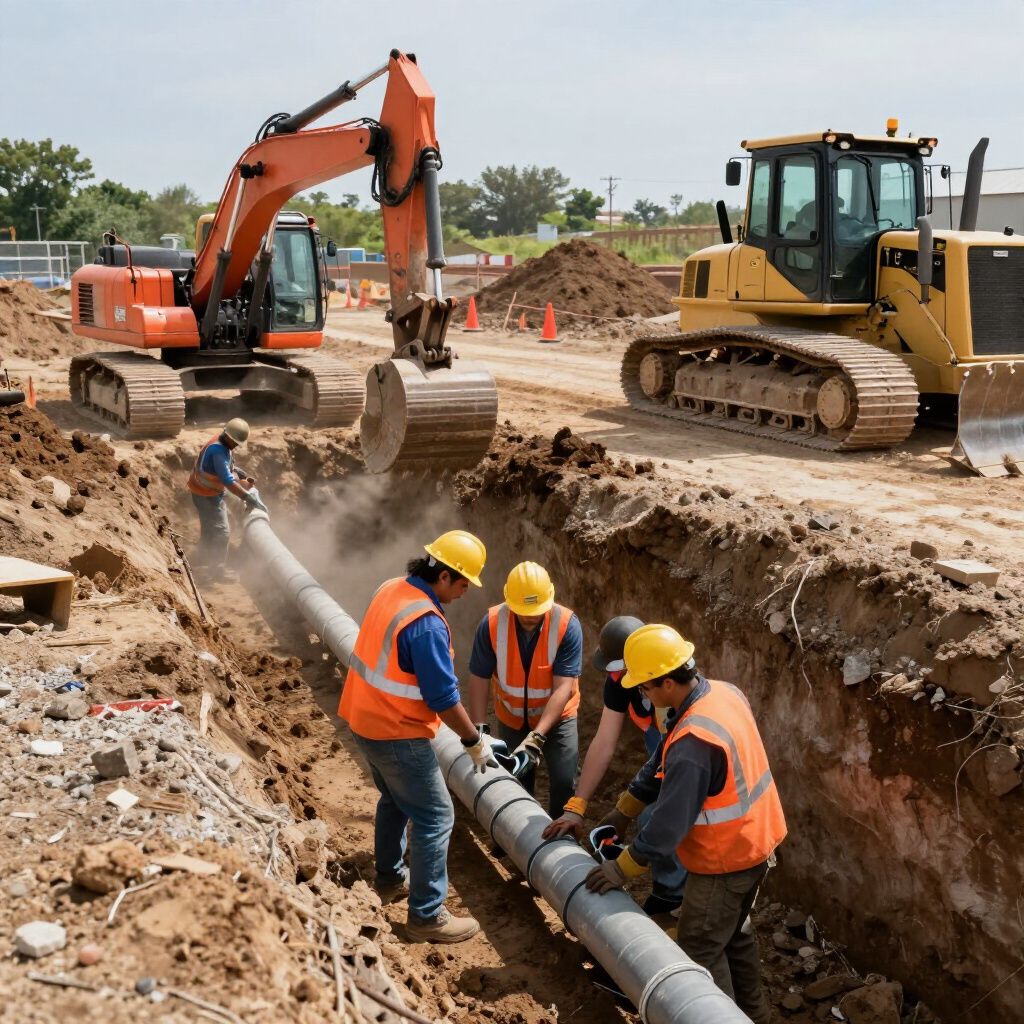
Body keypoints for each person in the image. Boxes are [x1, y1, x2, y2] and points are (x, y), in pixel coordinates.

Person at [584, 624, 786, 1024]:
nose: (642, 696)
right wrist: (623, 810)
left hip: (726, 859)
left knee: (700, 948)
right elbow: (661, 758)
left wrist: (620, 869)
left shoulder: (695, 742)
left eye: (645, 688)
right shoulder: (720, 692)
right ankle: (755, 1015)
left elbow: (666, 829)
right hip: (758, 841)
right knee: (735, 933)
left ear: (666, 683)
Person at [338, 530, 497, 944]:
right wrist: (472, 740)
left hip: (363, 719)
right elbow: (443, 697)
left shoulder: (393, 588)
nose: (465, 593)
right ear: (444, 576)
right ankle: (426, 916)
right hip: (397, 732)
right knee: (436, 815)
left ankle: (390, 878)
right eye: (464, 584)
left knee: (395, 799)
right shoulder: (426, 624)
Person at [542, 615, 686, 916]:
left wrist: (622, 866)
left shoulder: (672, 690)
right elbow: (604, 741)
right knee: (649, 813)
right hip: (658, 746)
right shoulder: (621, 682)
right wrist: (577, 805)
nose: (617, 677)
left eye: (620, 669)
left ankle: (676, 898)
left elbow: (670, 766)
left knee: (655, 818)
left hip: (683, 752)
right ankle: (669, 892)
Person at [467, 561, 583, 817]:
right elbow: (479, 678)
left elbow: (563, 687)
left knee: (565, 781)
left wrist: (538, 737)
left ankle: (562, 840)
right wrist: (479, 730)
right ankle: (512, 836)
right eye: (523, 610)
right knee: (516, 780)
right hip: (512, 716)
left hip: (558, 718)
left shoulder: (566, 625)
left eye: (536, 610)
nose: (530, 616)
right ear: (508, 600)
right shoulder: (492, 624)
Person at [186, 418, 266, 569]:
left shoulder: (222, 442)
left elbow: (226, 467)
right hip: (206, 494)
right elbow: (227, 481)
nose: (236, 446)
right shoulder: (218, 451)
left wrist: (239, 473)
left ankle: (203, 556)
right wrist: (247, 497)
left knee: (210, 527)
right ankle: (216, 569)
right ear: (229, 437)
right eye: (235, 442)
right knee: (222, 532)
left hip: (206, 491)